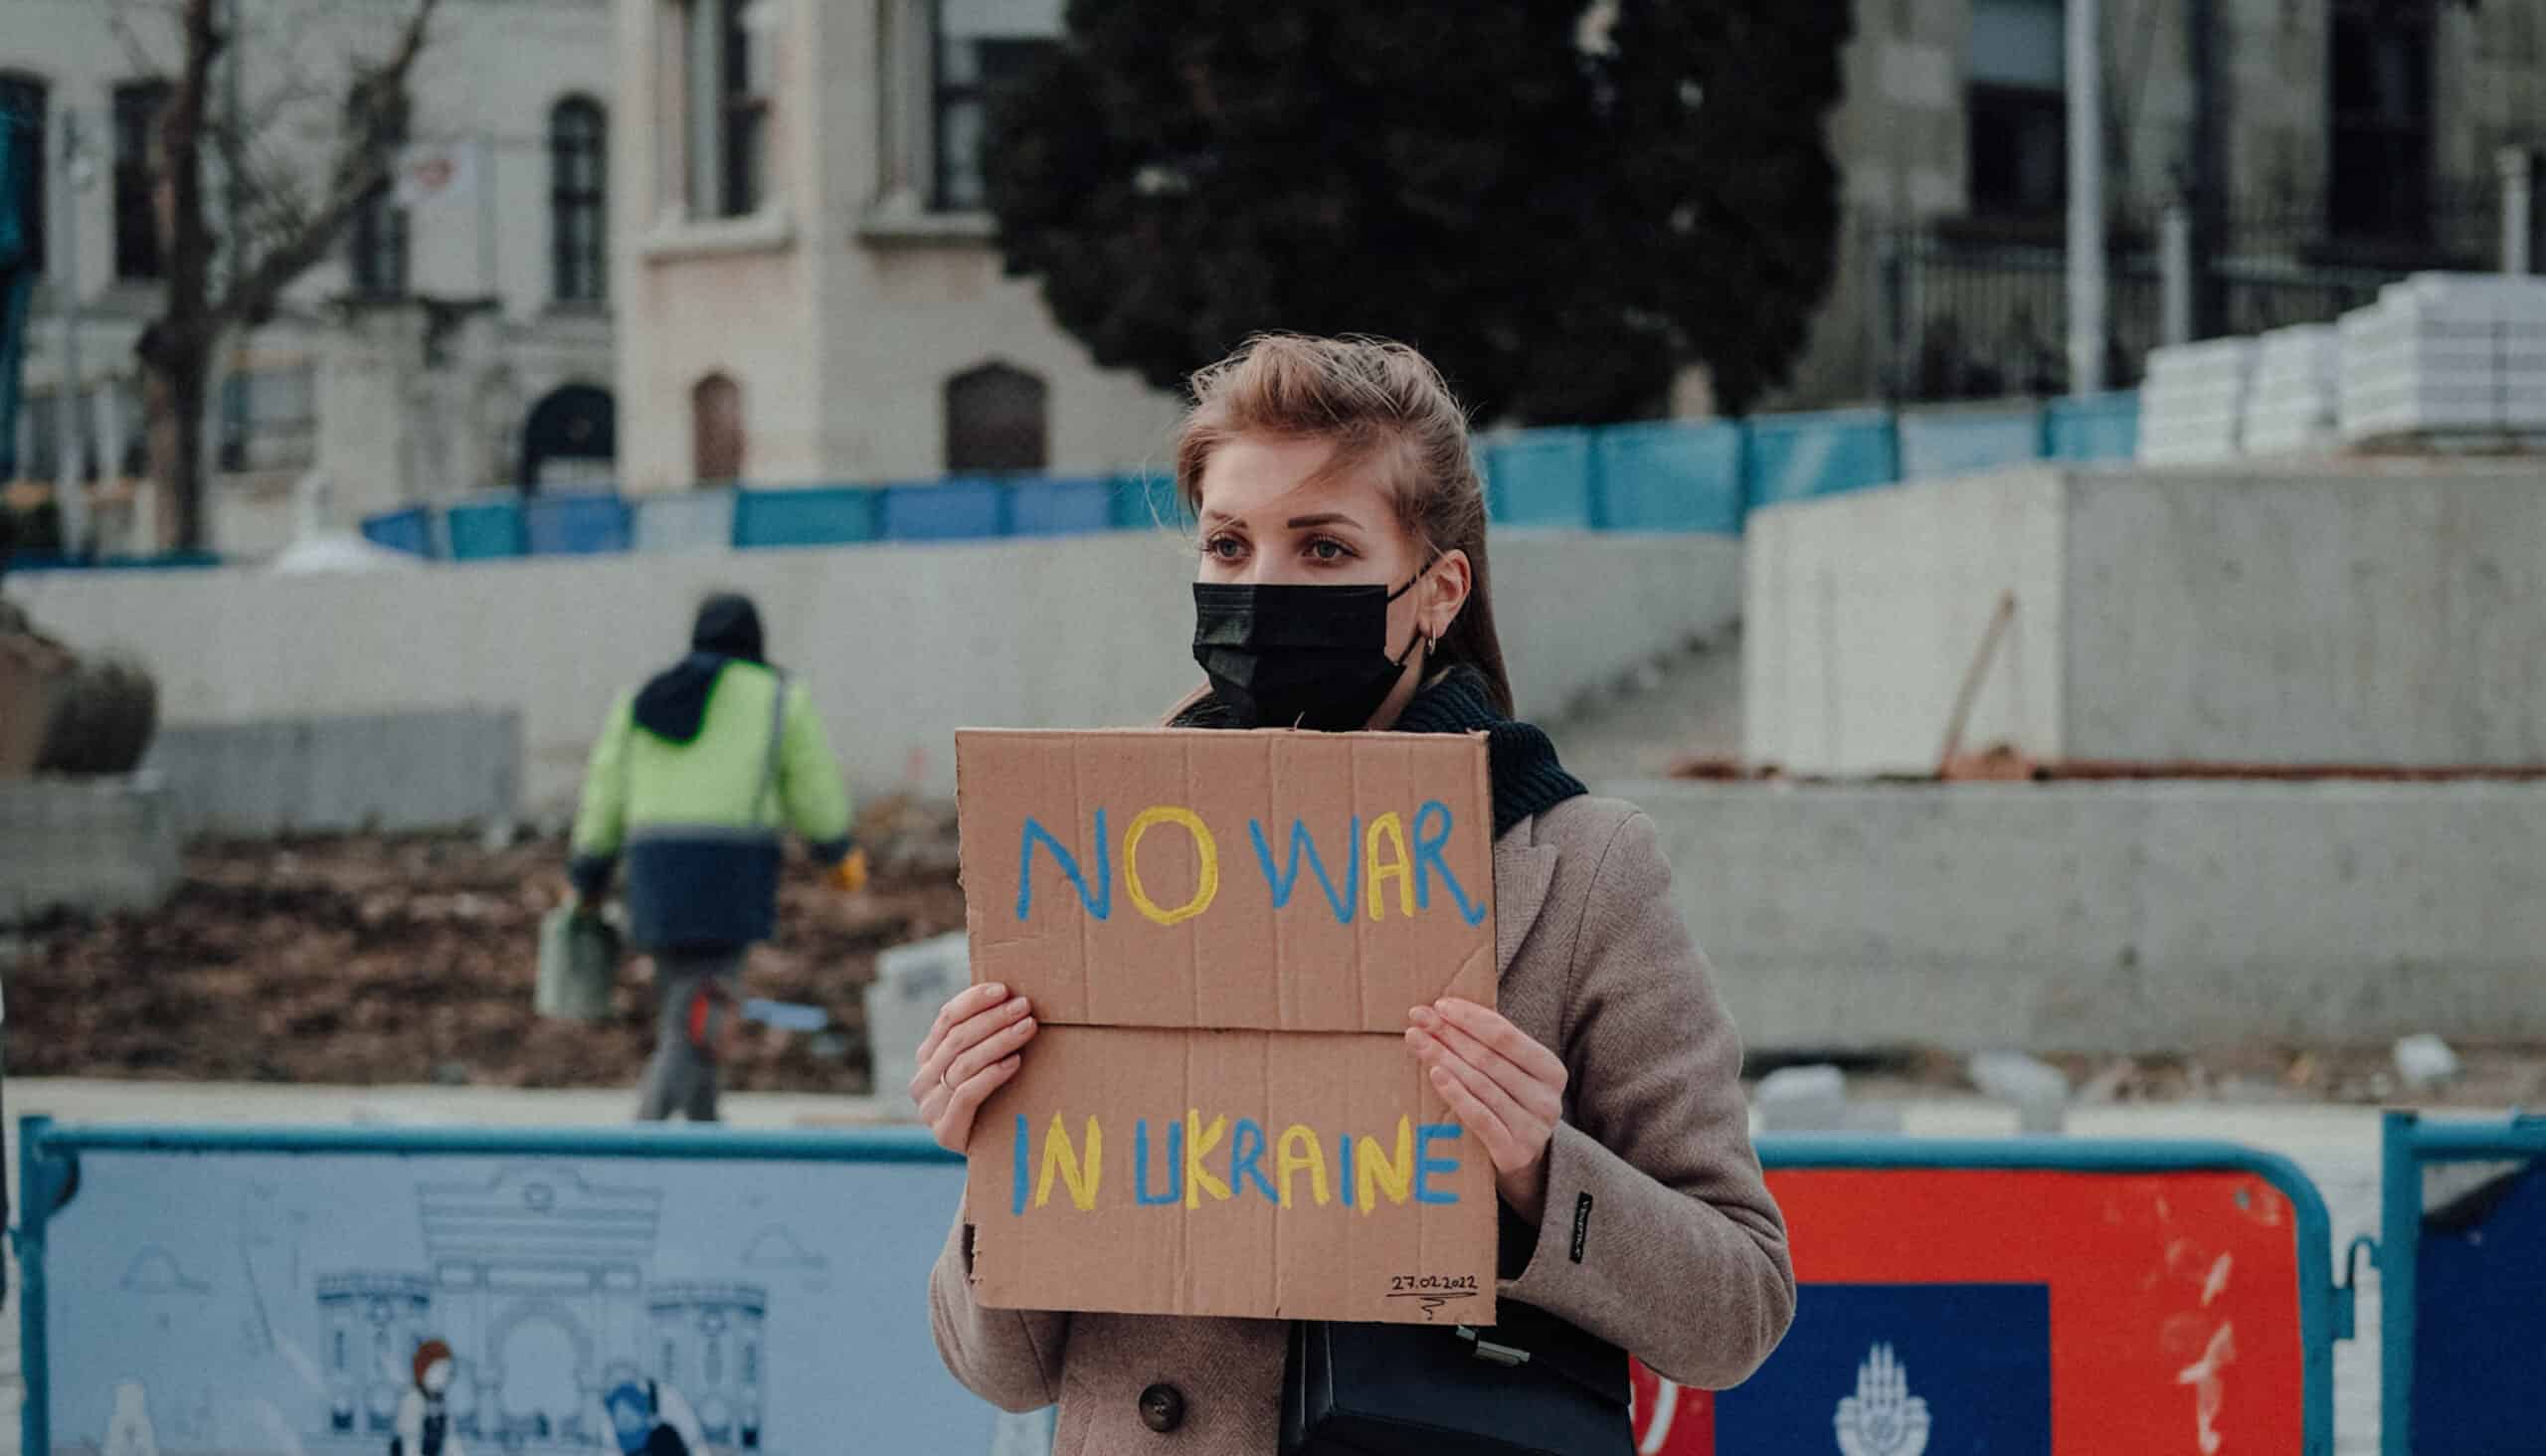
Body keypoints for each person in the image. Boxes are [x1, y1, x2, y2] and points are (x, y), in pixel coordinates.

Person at [920, 334, 1794, 1451]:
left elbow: (1740, 1311)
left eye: (1324, 549)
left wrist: (1534, 1174)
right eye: (1228, 546)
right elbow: (1000, 1370)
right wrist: (1001, 1154)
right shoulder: (1099, 867)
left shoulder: (1580, 868)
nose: (1263, 587)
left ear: (1436, 591)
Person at [569, 592, 862, 1121]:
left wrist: (588, 871)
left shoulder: (645, 695)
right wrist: (835, 850)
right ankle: (648, 1130)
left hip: (654, 871)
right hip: (730, 871)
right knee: (700, 1006)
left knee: (689, 1001)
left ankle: (704, 1123)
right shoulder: (777, 695)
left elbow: (605, 790)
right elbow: (812, 785)